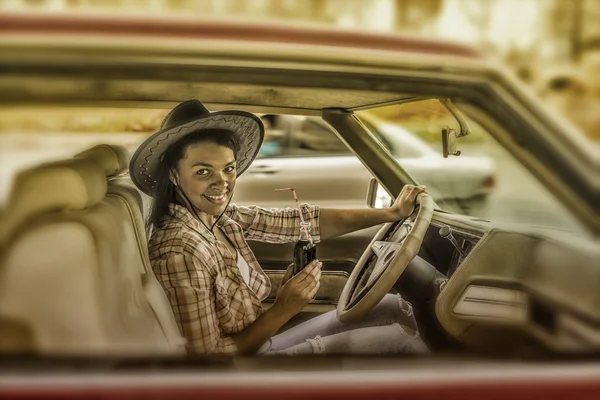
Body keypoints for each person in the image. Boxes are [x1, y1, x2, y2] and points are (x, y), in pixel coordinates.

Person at [129, 100, 429, 356]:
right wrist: (284, 308)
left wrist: (390, 213)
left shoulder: (218, 217)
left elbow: (301, 222)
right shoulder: (179, 250)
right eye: (203, 171)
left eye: (229, 168)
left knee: (394, 307)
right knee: (402, 344)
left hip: (264, 340)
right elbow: (208, 358)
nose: (222, 182)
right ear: (173, 174)